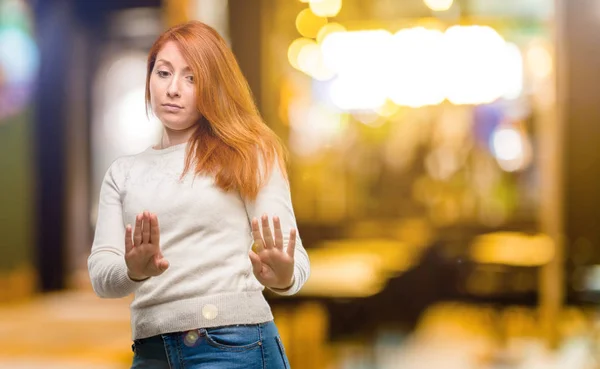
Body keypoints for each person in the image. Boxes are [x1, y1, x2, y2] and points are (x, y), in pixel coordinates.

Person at [87, 20, 310, 369]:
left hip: (235, 344)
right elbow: (102, 277)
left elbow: (295, 263)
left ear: (213, 86)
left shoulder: (249, 153)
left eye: (191, 78)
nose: (173, 89)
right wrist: (132, 271)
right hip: (151, 352)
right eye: (163, 73)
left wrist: (282, 276)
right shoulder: (123, 173)